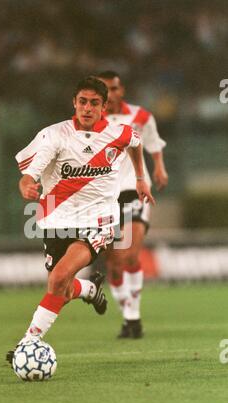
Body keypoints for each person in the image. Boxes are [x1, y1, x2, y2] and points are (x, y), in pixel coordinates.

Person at [7, 76, 154, 362]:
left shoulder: (118, 133)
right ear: (74, 103)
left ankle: (27, 343)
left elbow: (135, 143)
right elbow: (31, 172)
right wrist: (26, 184)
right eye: (83, 102)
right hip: (55, 218)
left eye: (94, 103)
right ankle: (88, 288)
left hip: (98, 220)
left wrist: (139, 178)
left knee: (60, 277)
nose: (87, 108)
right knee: (59, 285)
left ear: (104, 106)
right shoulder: (54, 136)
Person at [97, 70, 168, 339]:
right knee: (113, 264)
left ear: (121, 89)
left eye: (114, 88)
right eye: (106, 89)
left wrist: (159, 167)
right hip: (105, 196)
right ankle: (129, 317)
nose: (111, 94)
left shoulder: (140, 116)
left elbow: (153, 143)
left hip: (136, 190)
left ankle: (134, 317)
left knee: (130, 255)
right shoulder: (90, 121)